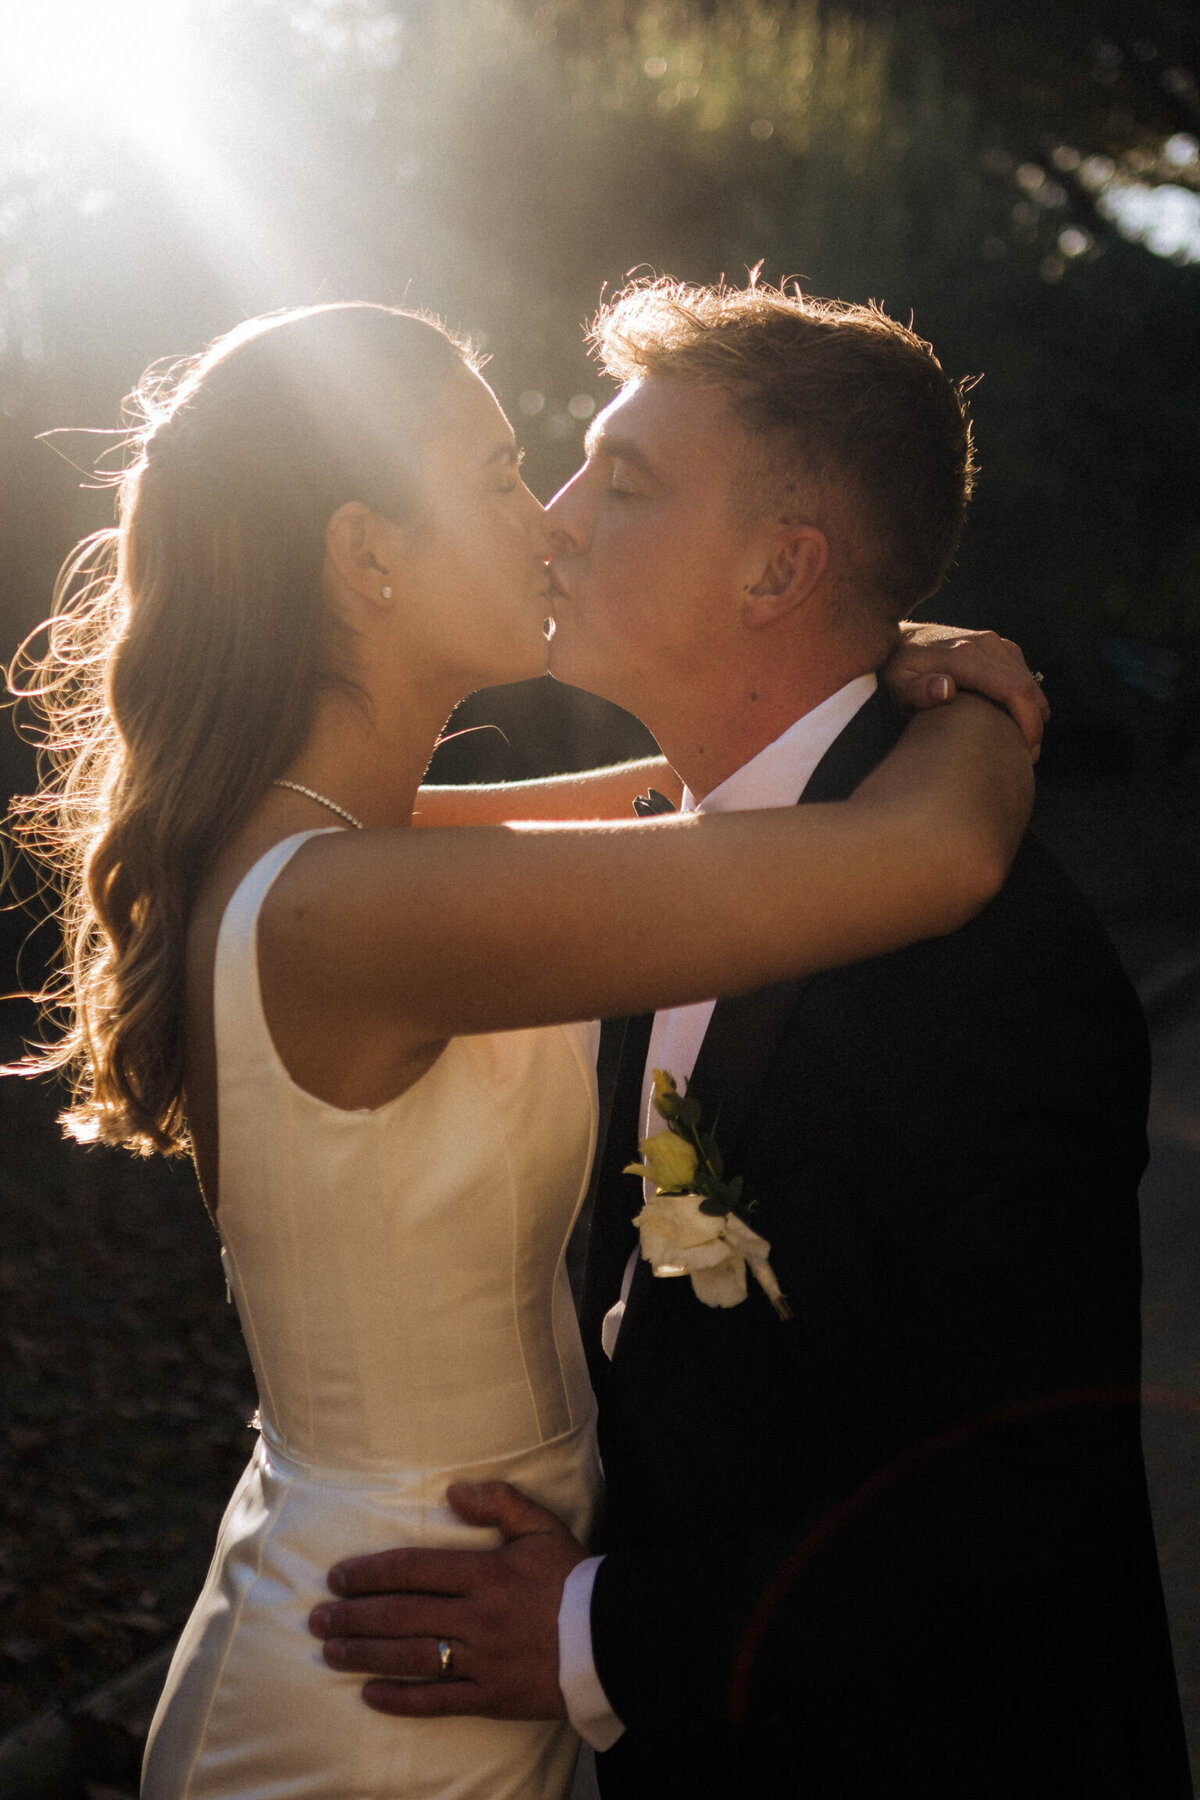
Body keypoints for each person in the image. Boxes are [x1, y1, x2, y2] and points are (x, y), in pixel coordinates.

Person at [7, 298, 1035, 1800]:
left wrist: (887, 653)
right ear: (367, 557)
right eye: (497, 480)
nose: (549, 528)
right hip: (379, 1682)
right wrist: (979, 699)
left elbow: (674, 805)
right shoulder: (355, 909)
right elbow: (935, 853)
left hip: (456, 1614)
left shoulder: (339, 852)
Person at [308, 282, 1193, 1799]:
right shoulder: (686, 874)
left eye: (626, 481)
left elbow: (1019, 1508)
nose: (559, 520)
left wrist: (600, 1628)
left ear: (784, 568)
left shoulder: (984, 962)